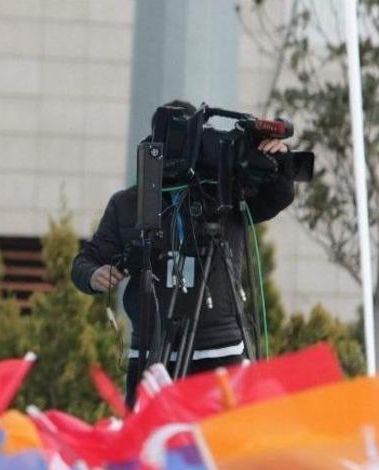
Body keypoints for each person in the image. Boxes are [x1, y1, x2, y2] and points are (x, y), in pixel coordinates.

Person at [71, 100, 295, 407]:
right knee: (149, 443)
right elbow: (84, 263)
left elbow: (277, 196)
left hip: (219, 346)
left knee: (221, 443)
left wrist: (280, 164)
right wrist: (94, 276)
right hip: (151, 347)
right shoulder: (128, 203)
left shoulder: (224, 194)